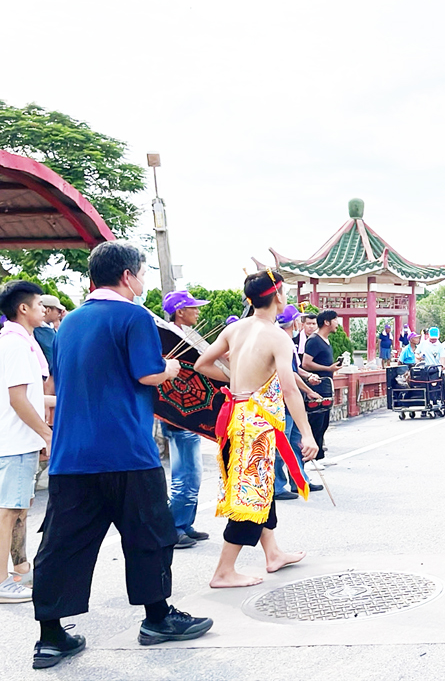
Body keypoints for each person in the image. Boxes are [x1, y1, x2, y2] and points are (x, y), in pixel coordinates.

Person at [32, 241, 212, 669]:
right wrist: (171, 369)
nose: (144, 282)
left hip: (72, 456)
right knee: (149, 535)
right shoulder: (134, 316)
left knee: (63, 544)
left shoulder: (70, 322)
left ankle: (52, 637)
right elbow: (148, 372)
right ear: (129, 276)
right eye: (143, 274)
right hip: (127, 451)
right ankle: (157, 618)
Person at [195, 271, 319, 588]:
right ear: (277, 296)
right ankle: (224, 571)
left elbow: (202, 365)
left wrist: (237, 380)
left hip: (236, 414)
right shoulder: (277, 336)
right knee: (250, 494)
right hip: (255, 426)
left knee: (258, 489)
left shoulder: (235, 329)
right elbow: (289, 390)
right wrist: (306, 433)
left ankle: (273, 553)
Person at [0, 281, 51, 605]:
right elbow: (18, 399)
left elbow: (30, 395)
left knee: (17, 510)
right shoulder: (16, 345)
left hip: (20, 440)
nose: (43, 310)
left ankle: (18, 570)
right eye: (38, 305)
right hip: (15, 440)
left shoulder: (22, 343)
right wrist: (46, 432)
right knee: (9, 511)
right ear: (23, 309)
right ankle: (3, 581)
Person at [158, 290, 214, 549]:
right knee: (185, 474)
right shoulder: (169, 338)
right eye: (193, 308)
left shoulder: (186, 336)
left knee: (193, 474)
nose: (198, 312)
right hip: (180, 414)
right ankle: (175, 527)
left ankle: (185, 523)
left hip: (189, 412)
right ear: (180, 311)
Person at [274, 305, 326, 500]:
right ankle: (278, 486)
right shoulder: (282, 343)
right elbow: (291, 375)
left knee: (297, 443)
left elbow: (297, 370)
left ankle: (299, 480)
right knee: (283, 446)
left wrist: (308, 377)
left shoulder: (289, 343)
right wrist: (310, 391)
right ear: (295, 322)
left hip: (292, 403)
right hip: (283, 402)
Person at [301, 310, 341, 461]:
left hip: (326, 386)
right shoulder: (314, 340)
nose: (337, 324)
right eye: (335, 320)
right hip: (316, 386)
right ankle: (310, 458)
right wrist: (327, 369)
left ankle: (318, 456)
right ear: (327, 322)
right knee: (316, 422)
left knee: (324, 422)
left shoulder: (325, 340)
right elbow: (306, 363)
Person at [33, 294, 63, 393]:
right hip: (47, 379)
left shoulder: (49, 329)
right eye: (58, 311)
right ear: (48, 310)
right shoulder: (39, 331)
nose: (60, 313)